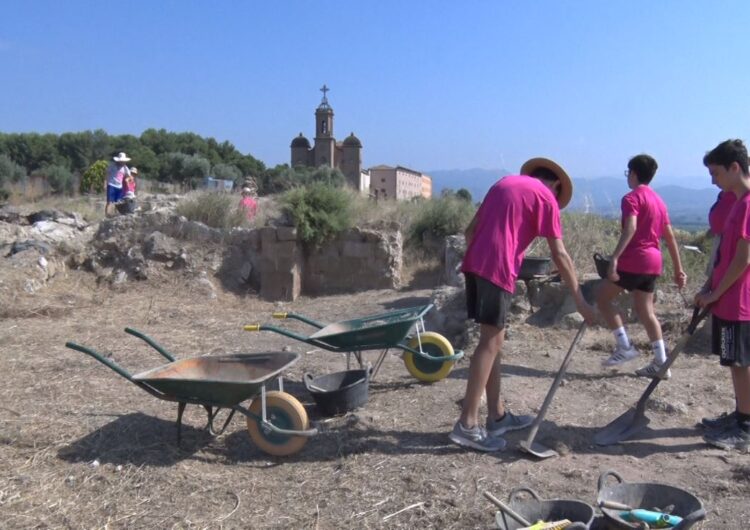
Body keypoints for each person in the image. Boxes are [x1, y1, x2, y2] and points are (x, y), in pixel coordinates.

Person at [450, 157, 597, 452]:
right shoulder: (547, 198)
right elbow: (560, 255)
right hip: (496, 267)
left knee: (494, 342)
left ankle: (497, 416)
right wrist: (580, 301)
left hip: (475, 263)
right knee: (490, 344)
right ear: (555, 184)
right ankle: (467, 424)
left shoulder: (503, 184)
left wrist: (486, 255)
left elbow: (470, 232)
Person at [597, 154, 686, 379]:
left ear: (634, 173)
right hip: (654, 262)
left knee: (603, 300)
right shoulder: (659, 201)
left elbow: (631, 228)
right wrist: (678, 269)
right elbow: (670, 237)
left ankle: (625, 347)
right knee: (647, 311)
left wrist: (615, 258)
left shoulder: (631, 198)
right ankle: (661, 362)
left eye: (629, 173)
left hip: (634, 259)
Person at [695, 139, 750, 452]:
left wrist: (717, 291)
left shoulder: (748, 205)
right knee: (734, 362)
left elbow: (744, 260)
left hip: (739, 301)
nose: (713, 179)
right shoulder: (737, 202)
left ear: (734, 168)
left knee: (741, 362)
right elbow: (725, 256)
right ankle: (740, 413)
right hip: (727, 299)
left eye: (716, 172)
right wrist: (709, 288)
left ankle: (746, 425)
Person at [105, 152, 131, 216]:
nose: (122, 162)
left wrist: (127, 179)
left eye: (123, 161)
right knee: (109, 201)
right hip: (111, 185)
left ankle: (115, 215)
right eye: (121, 161)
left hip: (119, 187)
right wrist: (105, 183)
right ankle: (106, 215)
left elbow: (129, 176)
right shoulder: (112, 166)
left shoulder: (125, 168)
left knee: (118, 202)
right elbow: (106, 174)